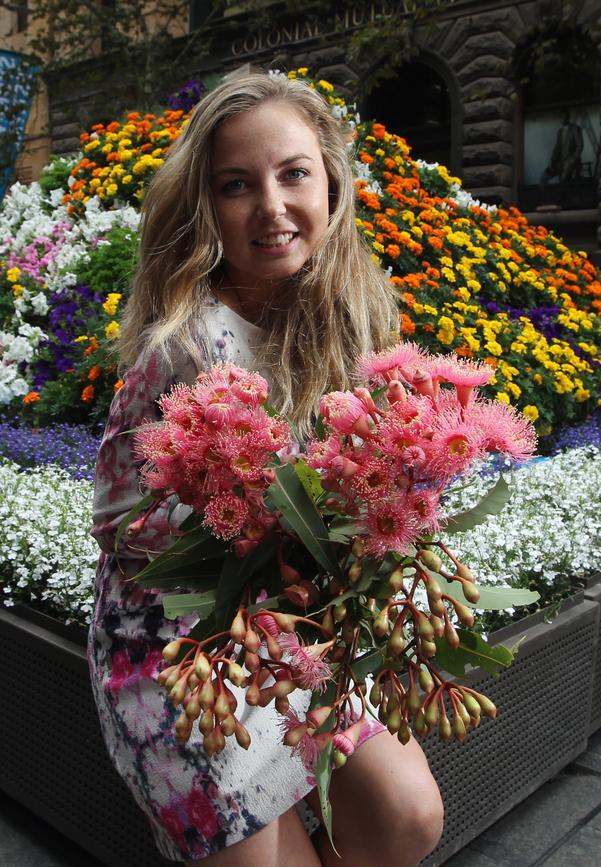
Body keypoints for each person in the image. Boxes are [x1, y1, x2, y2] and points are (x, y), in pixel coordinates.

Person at [88, 71, 444, 867]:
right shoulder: (182, 346)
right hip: (181, 651)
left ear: (331, 182)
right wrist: (243, 545)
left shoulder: (343, 317)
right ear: (206, 207)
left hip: (296, 636)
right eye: (237, 185)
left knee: (409, 815)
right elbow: (112, 525)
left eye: (293, 174)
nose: (273, 207)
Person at [540, 109, 583, 185]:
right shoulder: (560, 132)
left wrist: (572, 160)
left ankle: (564, 188)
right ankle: (543, 193)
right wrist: (552, 160)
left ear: (567, 117)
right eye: (561, 117)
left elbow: (580, 146)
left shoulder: (574, 129)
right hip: (561, 162)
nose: (562, 119)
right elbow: (557, 148)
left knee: (564, 175)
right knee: (544, 175)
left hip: (573, 161)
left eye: (564, 117)